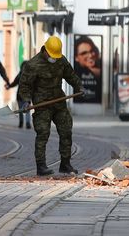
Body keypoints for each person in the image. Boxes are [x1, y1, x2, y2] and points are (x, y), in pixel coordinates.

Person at [18, 36, 83, 176]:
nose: (54, 58)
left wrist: (79, 87)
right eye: (52, 55)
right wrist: (26, 101)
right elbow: (24, 86)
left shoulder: (61, 60)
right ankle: (41, 166)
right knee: (43, 134)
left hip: (59, 102)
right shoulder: (32, 65)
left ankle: (65, 164)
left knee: (66, 131)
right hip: (42, 105)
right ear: (45, 50)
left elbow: (71, 75)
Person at [6, 62, 31, 129]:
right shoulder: (21, 75)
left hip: (26, 95)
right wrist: (9, 86)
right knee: (22, 110)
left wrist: (9, 86)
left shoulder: (29, 75)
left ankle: (25, 123)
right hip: (21, 96)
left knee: (26, 109)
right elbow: (14, 83)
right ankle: (23, 122)